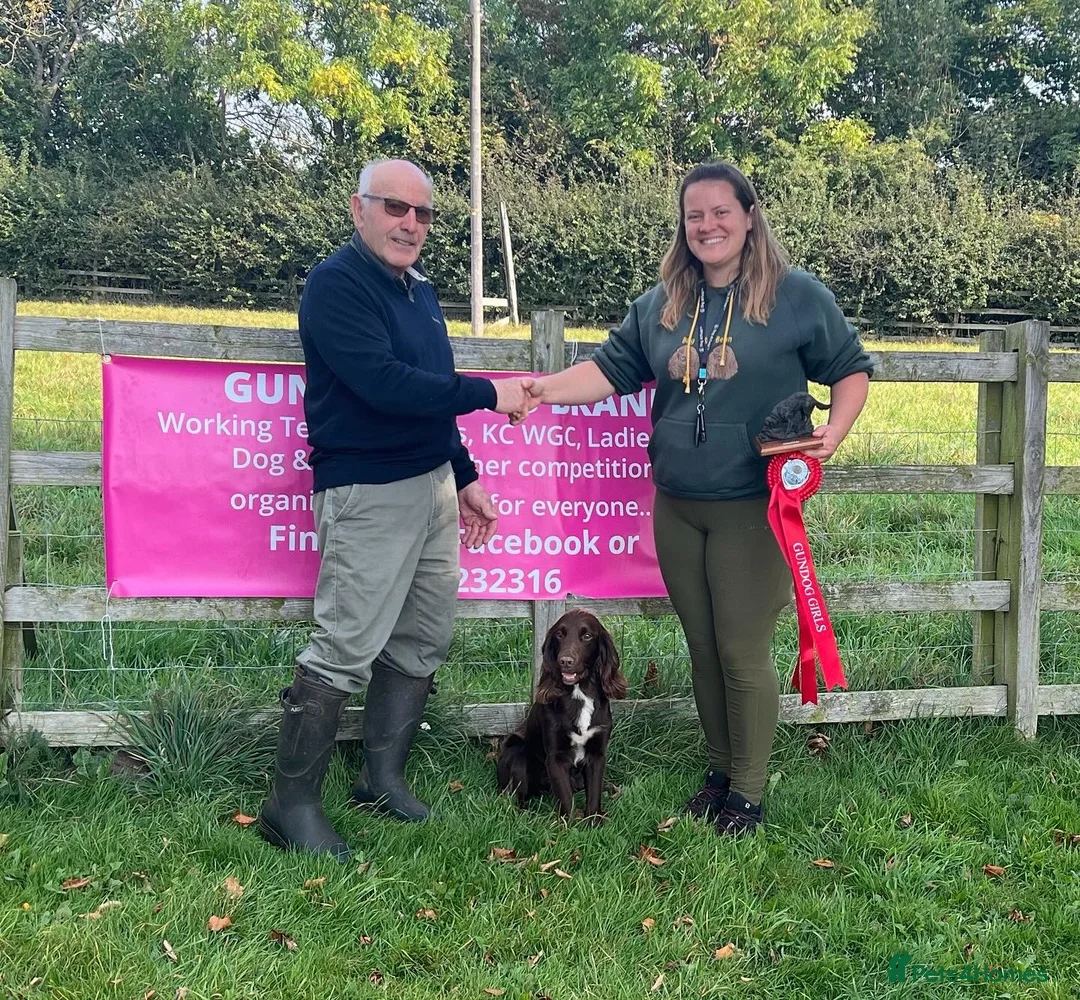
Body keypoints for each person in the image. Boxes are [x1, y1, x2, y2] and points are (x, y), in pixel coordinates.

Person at [521, 162, 873, 836]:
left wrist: (837, 429)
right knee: (704, 647)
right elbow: (607, 370)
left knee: (741, 650)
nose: (707, 225)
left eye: (720, 212)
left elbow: (850, 368)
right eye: (694, 215)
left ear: (748, 216)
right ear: (683, 227)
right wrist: (541, 391)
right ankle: (718, 774)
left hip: (753, 505)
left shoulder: (795, 297)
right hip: (678, 505)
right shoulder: (662, 305)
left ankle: (748, 793)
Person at [258, 158, 533, 861]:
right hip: (368, 493)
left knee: (420, 639)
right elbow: (384, 385)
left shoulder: (419, 292)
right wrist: (488, 394)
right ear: (359, 210)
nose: (410, 223)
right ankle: (289, 807)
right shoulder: (335, 285)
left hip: (433, 484)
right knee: (345, 645)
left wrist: (465, 472)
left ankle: (382, 778)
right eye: (395, 208)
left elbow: (430, 390)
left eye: (423, 214)